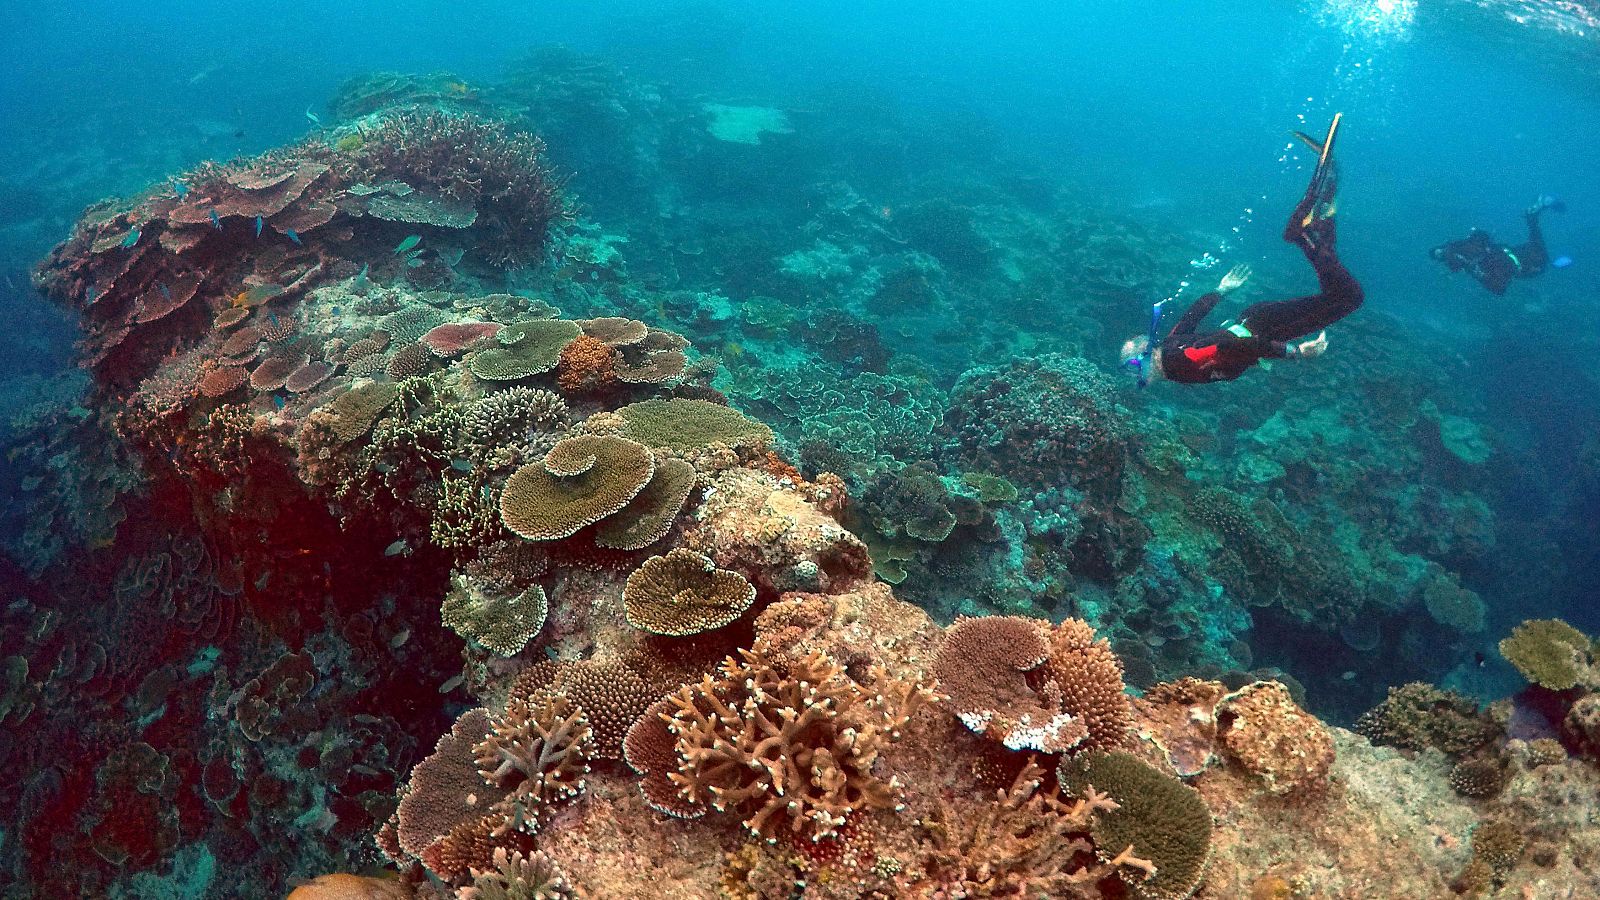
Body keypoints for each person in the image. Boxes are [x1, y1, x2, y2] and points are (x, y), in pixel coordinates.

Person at [1122, 114, 1364, 385]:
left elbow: (1230, 346)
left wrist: (1295, 353)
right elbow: (1192, 316)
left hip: (1265, 328)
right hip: (1257, 321)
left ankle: (1306, 232)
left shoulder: (1179, 362)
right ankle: (1312, 227)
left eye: (1130, 365)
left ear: (1144, 357)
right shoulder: (1169, 350)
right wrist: (1222, 290)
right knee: (1341, 296)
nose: (1132, 375)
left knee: (1349, 297)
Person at [1430, 196, 1566, 295]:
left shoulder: (1466, 256)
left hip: (1517, 260)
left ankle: (1532, 216)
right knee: (1537, 248)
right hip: (1509, 254)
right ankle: (1532, 216)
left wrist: (1478, 274)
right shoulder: (1463, 249)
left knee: (1540, 258)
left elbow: (1499, 288)